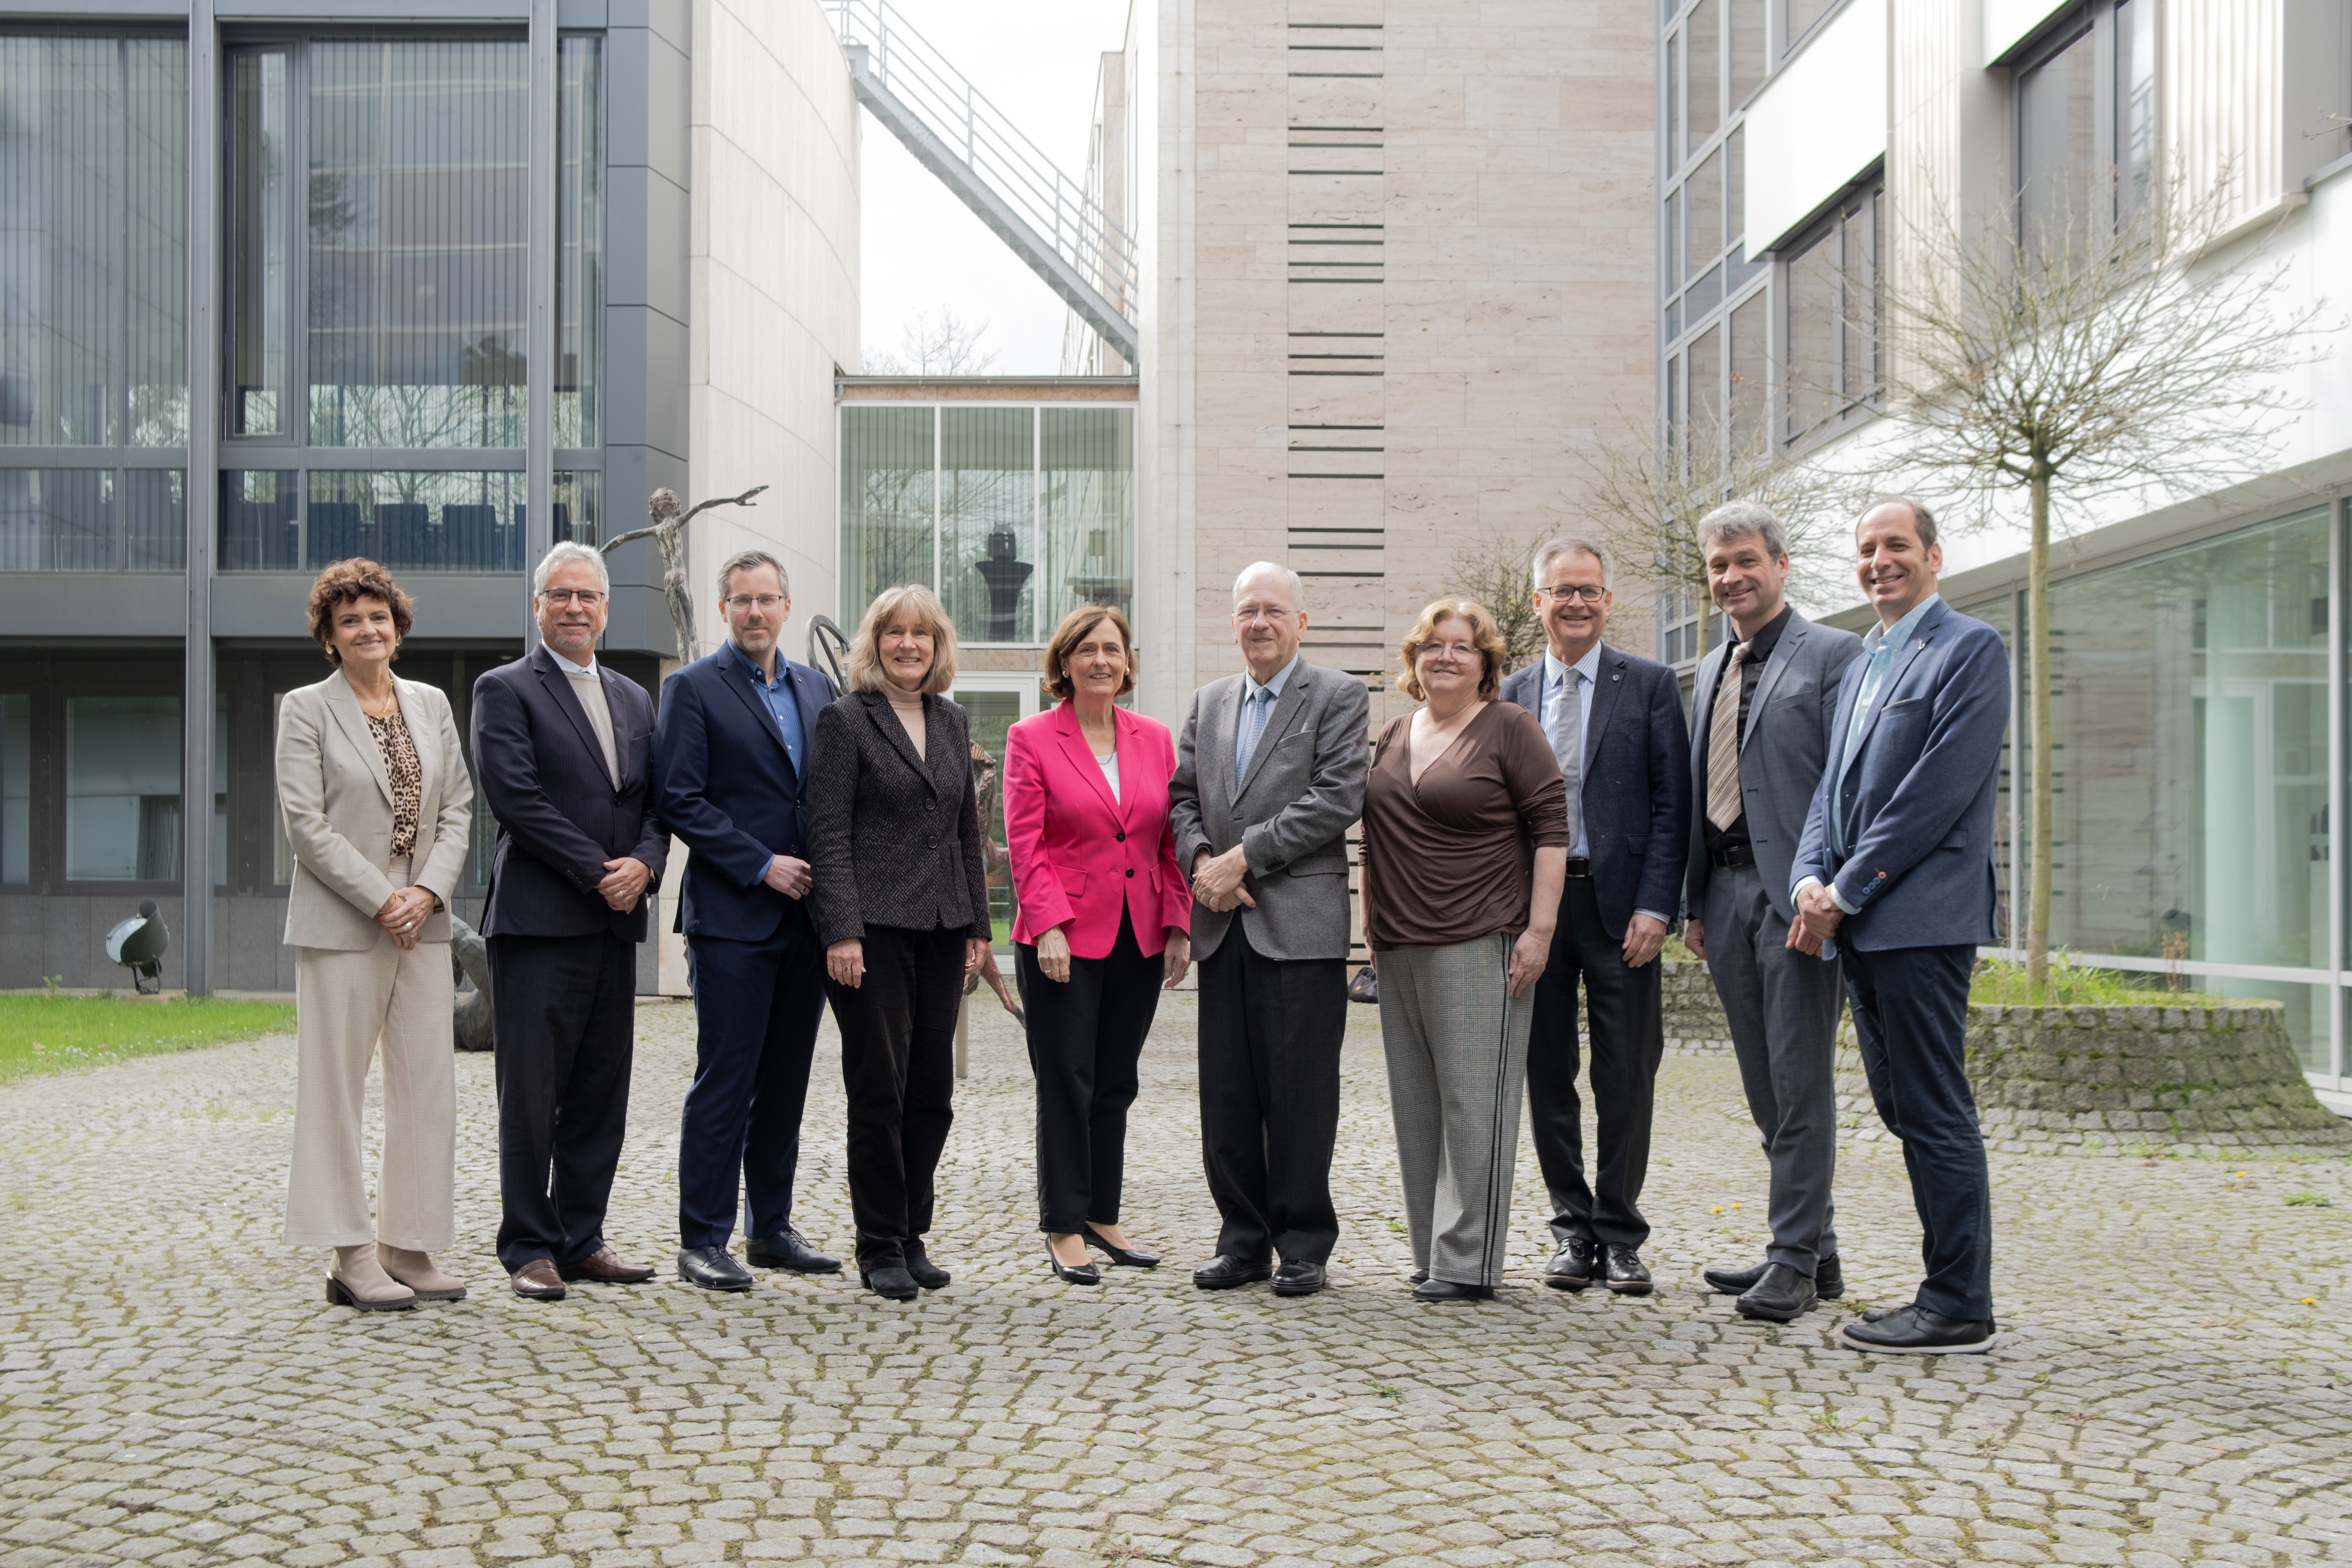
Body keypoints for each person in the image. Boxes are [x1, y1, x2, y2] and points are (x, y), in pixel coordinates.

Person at [1791, 497, 2010, 1355]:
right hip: (1862, 922)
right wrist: (1809, 878)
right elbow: (1831, 788)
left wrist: (1843, 891)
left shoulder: (1968, 648)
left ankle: (1957, 1302)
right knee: (1900, 1103)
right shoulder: (1864, 662)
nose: (1879, 560)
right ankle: (1948, 1290)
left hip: (1918, 921)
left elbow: (1933, 795)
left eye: (1896, 545)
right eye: (1866, 548)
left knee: (1932, 1105)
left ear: (1933, 556)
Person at [469, 541, 669, 1302]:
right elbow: (516, 798)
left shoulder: (634, 697)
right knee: (530, 1093)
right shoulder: (505, 688)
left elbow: (656, 803)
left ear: (606, 609)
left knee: (598, 1089)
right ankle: (528, 1245)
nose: (575, 607)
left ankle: (582, 1237)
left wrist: (644, 865)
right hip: (538, 922)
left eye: (587, 596)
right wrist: (599, 872)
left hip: (615, 924)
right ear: (538, 606)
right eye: (560, 595)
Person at [1679, 505, 1863, 1323]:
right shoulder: (1709, 665)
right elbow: (1700, 789)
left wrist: (1829, 890)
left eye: (1746, 560)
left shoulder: (1833, 655)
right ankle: (1814, 1247)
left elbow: (1849, 782)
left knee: (1798, 1081)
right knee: (1762, 1082)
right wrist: (1694, 901)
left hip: (1796, 895)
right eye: (1718, 566)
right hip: (1722, 895)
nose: (1731, 577)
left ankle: (1792, 1258)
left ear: (1781, 565)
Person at [276, 558, 475, 1310]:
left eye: (379, 617)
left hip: (423, 920)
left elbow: (458, 808)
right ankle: (351, 1254)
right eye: (350, 620)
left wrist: (426, 893)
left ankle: (407, 1244)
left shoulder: (430, 704)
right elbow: (306, 824)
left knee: (427, 1085)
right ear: (329, 635)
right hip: (343, 919)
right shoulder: (306, 709)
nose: (368, 629)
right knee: (334, 1089)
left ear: (399, 626)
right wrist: (383, 898)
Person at [1168, 562, 1368, 1298]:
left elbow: (1337, 797)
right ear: (1232, 624)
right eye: (1248, 610)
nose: (1260, 622)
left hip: (1299, 927)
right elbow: (1181, 798)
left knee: (1300, 1093)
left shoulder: (1338, 695)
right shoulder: (1209, 701)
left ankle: (1303, 1243)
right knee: (1227, 1096)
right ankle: (1243, 1241)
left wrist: (1243, 857)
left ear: (1301, 622)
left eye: (1274, 610)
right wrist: (1201, 861)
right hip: (1222, 925)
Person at [1360, 599, 1568, 1302]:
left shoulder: (1510, 727)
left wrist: (1538, 932)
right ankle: (1432, 1252)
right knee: (1417, 1107)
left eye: (1462, 646)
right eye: (1433, 644)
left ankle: (1468, 1261)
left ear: (1486, 664)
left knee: (1473, 1104)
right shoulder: (1394, 732)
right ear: (1414, 659)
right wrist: (1370, 927)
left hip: (1481, 938)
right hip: (1399, 944)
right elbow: (1374, 839)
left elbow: (1551, 830)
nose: (1446, 656)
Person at [1500, 537, 1691, 1296]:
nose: (1575, 602)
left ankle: (1619, 1231)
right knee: (1547, 1071)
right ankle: (1571, 1229)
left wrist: (1657, 905)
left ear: (1608, 601)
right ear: (1537, 602)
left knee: (1627, 1073)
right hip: (1537, 912)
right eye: (1561, 590)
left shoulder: (1648, 684)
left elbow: (1672, 804)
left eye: (1588, 590)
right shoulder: (1509, 693)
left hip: (1623, 910)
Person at [653, 549, 842, 1292]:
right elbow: (680, 798)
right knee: (726, 1079)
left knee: (786, 1081)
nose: (755, 612)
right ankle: (702, 1238)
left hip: (806, 919)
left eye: (767, 599)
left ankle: (770, 1228)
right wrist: (761, 863)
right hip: (733, 916)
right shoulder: (693, 688)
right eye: (741, 600)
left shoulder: (817, 687)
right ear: (724, 608)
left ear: (787, 607)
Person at [805, 585, 992, 1302]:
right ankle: (878, 1242)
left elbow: (965, 831)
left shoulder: (951, 719)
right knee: (879, 1090)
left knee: (931, 1093)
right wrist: (841, 929)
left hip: (942, 928)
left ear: (937, 645)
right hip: (872, 933)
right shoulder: (844, 720)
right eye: (894, 632)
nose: (908, 644)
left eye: (921, 633)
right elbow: (827, 831)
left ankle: (913, 1232)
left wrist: (978, 926)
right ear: (874, 642)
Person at [1002, 605, 1192, 1285]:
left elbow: (1167, 840)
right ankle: (1063, 1224)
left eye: (1112, 648)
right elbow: (1025, 842)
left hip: (1138, 933)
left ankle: (1101, 1215)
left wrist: (1178, 923)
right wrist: (1048, 924)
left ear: (1127, 661)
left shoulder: (1155, 739)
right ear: (1065, 662)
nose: (1101, 660)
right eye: (1086, 649)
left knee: (1116, 1081)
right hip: (1062, 938)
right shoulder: (1031, 737)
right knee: (1067, 1081)